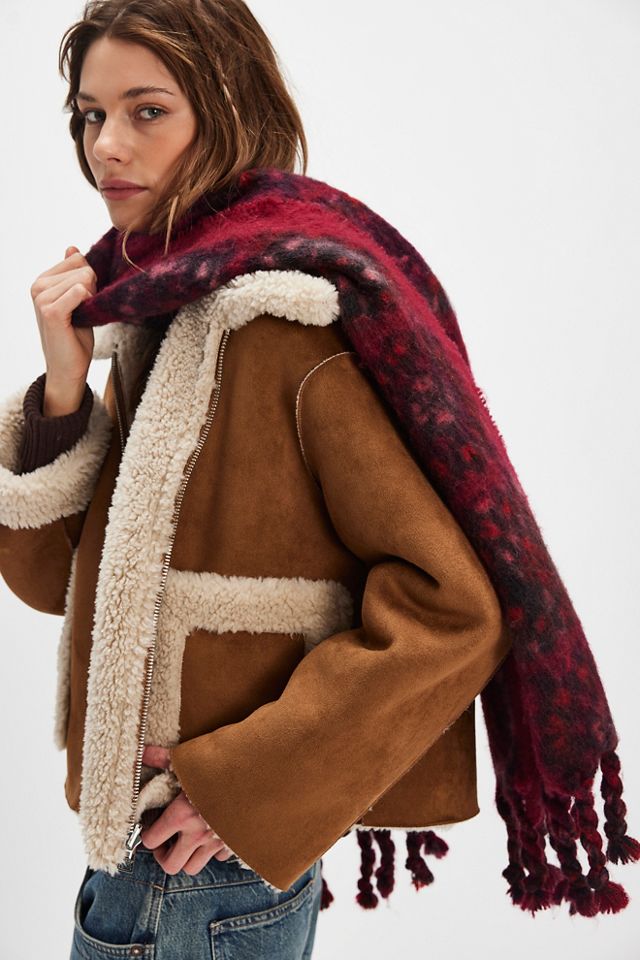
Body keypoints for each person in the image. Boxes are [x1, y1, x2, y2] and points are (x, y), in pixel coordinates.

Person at [4, 0, 635, 957]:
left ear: (227, 109)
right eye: (92, 115)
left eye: (147, 110)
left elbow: (457, 607)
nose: (107, 146)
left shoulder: (277, 328)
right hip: (157, 855)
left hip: (198, 868)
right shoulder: (161, 307)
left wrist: (243, 786)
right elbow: (55, 582)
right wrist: (63, 385)